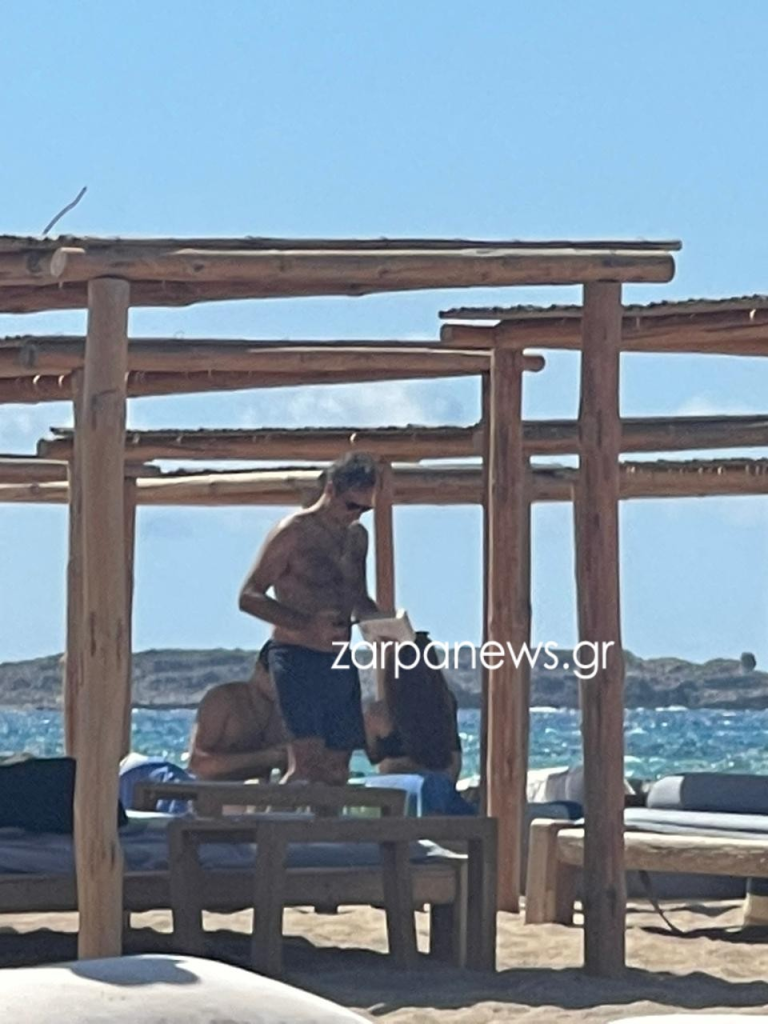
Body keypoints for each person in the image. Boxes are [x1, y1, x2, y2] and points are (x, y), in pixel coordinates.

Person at [238, 452, 380, 784]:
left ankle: (326, 821)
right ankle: (276, 817)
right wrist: (306, 625)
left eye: (365, 509)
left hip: (339, 659)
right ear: (330, 490)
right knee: (306, 767)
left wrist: (383, 624)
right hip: (297, 656)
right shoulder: (293, 533)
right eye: (351, 505)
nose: (356, 515)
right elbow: (249, 596)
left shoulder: (357, 538)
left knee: (337, 770)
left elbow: (358, 596)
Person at [365, 632, 462, 783]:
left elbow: (373, 755)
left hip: (399, 792)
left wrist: (383, 659)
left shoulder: (378, 713)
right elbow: (455, 760)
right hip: (440, 791)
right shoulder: (446, 703)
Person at [187, 643, 288, 781]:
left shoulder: (287, 710)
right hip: (213, 790)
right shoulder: (224, 700)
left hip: (256, 791)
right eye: (279, 677)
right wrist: (267, 757)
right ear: (259, 669)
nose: (284, 686)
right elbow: (198, 765)